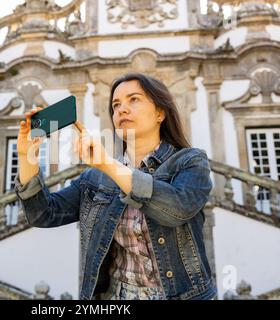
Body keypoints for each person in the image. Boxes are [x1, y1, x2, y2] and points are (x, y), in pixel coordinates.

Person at [14, 72, 216, 300]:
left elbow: (177, 210)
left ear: (160, 113)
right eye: (115, 104)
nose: (122, 109)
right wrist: (26, 155)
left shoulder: (190, 161)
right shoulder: (96, 178)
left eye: (134, 99)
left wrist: (107, 164)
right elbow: (43, 213)